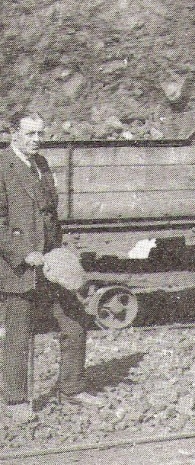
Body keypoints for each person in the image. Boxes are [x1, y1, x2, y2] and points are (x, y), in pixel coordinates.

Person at [1, 112, 104, 425]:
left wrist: (59, 252)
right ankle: (16, 400)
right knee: (19, 336)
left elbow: (49, 214)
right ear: (12, 134)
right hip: (19, 267)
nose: (37, 140)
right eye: (30, 134)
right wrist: (23, 252)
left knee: (74, 322)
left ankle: (71, 388)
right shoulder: (2, 167)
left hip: (51, 264)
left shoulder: (41, 164)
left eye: (40, 134)